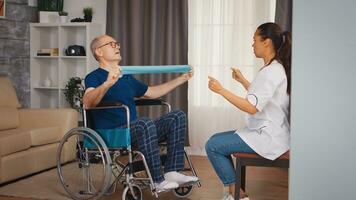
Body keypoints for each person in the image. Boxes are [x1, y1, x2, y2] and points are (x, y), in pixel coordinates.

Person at [83, 34, 198, 192]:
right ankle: (157, 181)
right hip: (113, 133)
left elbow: (152, 92)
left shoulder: (126, 77)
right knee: (144, 123)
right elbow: (88, 102)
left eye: (117, 44)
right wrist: (107, 83)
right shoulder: (93, 77)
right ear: (99, 52)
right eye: (112, 44)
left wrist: (182, 78)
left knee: (177, 116)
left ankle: (172, 172)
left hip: (136, 130)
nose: (118, 46)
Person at [205, 22, 291, 200]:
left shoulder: (272, 71)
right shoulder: (273, 68)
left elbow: (252, 107)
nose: (252, 44)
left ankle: (237, 194)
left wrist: (221, 90)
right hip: (266, 131)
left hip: (268, 136)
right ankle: (236, 193)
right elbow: (263, 96)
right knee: (215, 140)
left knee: (212, 146)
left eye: (254, 40)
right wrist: (243, 81)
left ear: (266, 42)